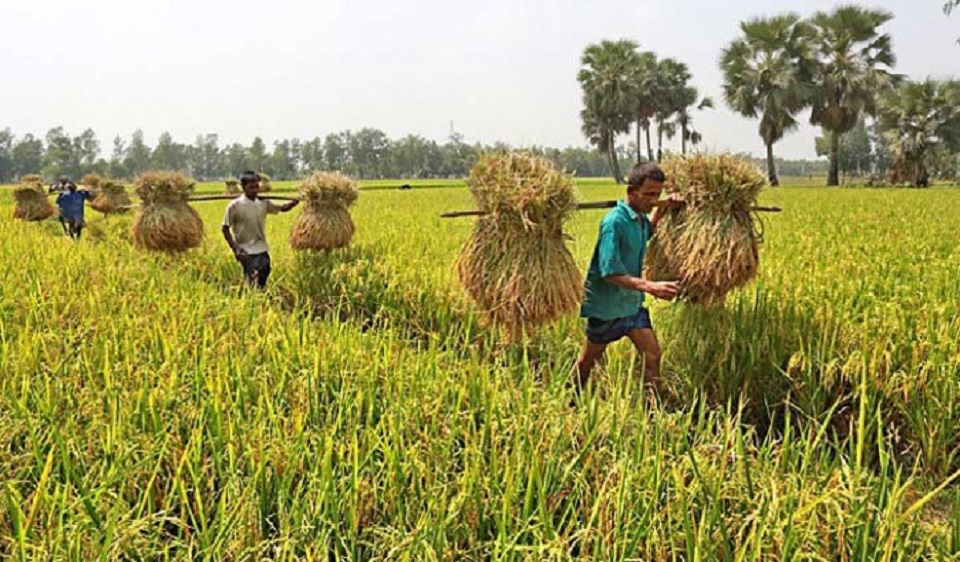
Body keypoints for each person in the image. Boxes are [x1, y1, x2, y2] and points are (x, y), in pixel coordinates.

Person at [575, 162, 684, 396]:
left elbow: (647, 232)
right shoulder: (614, 223)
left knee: (652, 354)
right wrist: (651, 286)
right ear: (631, 191)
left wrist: (664, 208)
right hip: (606, 309)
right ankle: (570, 395)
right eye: (649, 195)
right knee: (588, 361)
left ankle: (653, 407)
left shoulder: (640, 218)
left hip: (631, 307)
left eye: (658, 194)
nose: (654, 200)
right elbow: (609, 271)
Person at [221, 170, 299, 289]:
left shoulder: (263, 203)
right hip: (245, 250)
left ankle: (259, 298)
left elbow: (283, 208)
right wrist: (235, 248)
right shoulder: (235, 205)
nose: (255, 190)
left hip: (261, 248)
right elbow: (225, 228)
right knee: (253, 279)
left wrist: (293, 203)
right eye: (251, 187)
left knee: (264, 274)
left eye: (257, 186)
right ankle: (254, 302)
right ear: (243, 187)